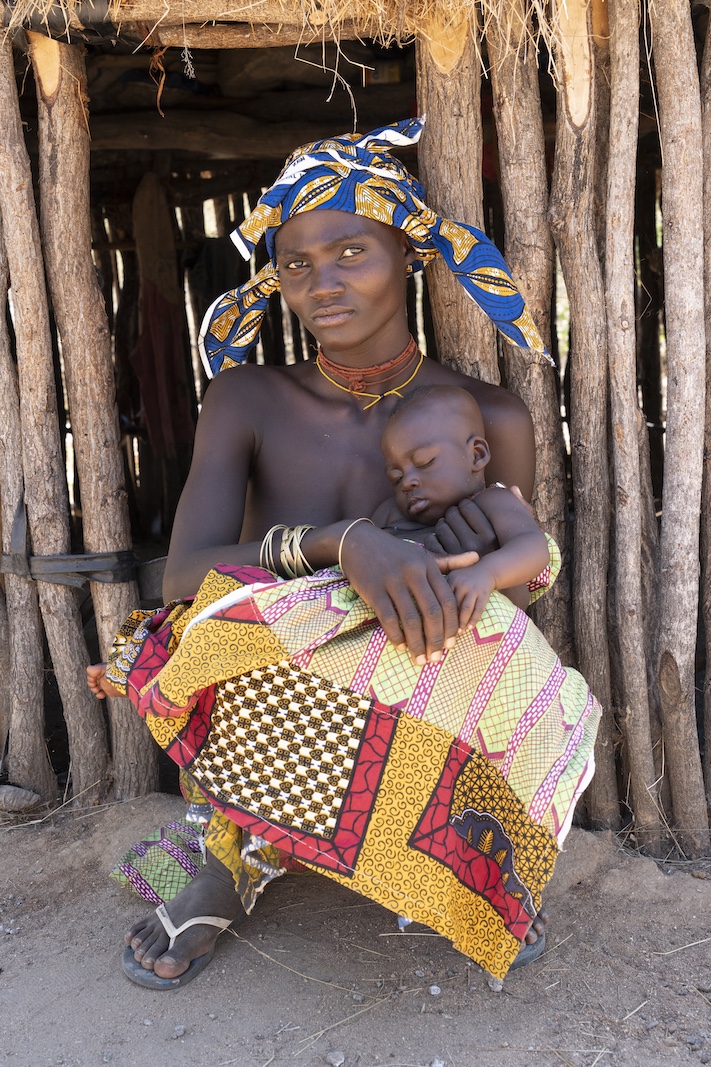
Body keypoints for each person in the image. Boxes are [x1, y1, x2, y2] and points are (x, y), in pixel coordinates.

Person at [87, 119, 600, 988]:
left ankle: (471, 859)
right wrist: (341, 543)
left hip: (409, 672)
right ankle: (223, 856)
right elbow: (178, 578)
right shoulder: (247, 398)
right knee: (186, 644)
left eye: (352, 252)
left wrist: (455, 568)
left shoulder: (486, 418)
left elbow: (518, 583)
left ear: (408, 256)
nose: (321, 282)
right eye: (295, 264)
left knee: (510, 647)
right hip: (269, 698)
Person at [372, 383, 551, 630]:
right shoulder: (389, 515)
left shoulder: (492, 501)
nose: (407, 482)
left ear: (476, 455)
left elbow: (533, 547)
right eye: (396, 477)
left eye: (424, 462)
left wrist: (488, 573)